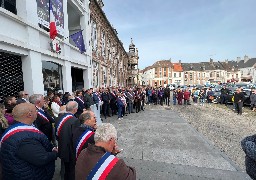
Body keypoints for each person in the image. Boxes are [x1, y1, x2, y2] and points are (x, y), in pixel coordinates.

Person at [0, 103, 57, 180]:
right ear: (29, 115)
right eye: (35, 110)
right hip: (30, 175)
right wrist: (55, 153)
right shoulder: (24, 139)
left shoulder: (15, 127)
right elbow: (41, 159)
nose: (37, 112)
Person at [55, 101, 80, 180]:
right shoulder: (75, 121)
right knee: (70, 171)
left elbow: (56, 134)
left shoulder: (59, 118)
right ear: (75, 110)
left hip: (61, 146)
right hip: (70, 151)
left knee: (64, 168)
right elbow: (75, 138)